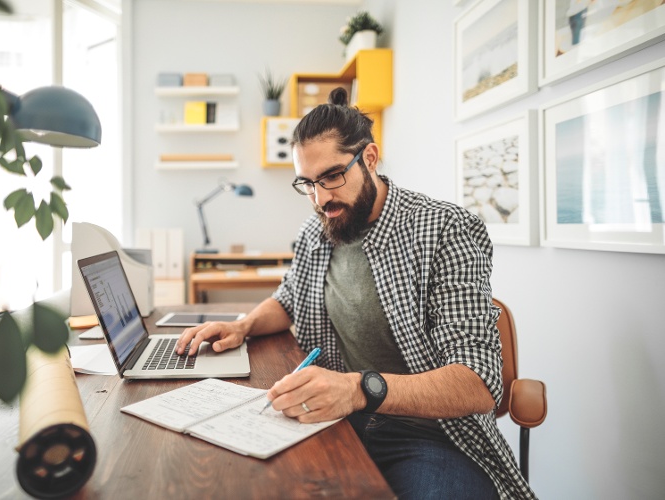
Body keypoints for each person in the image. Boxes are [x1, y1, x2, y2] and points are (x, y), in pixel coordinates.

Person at [177, 88, 536, 499]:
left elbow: (477, 382)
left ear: (369, 158)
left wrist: (355, 390)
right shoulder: (319, 229)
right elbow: (289, 298)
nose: (320, 198)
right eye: (308, 184)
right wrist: (244, 325)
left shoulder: (445, 229)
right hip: (335, 423)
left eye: (331, 176)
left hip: (429, 438)